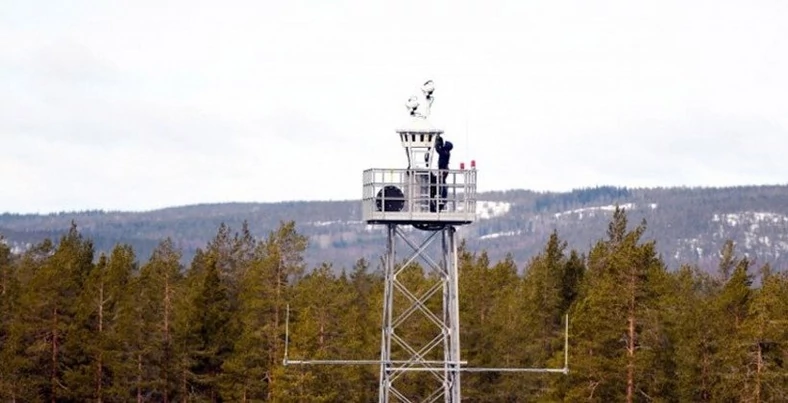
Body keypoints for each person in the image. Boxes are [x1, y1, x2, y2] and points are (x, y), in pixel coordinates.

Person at [429, 135, 453, 211]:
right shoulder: (446, 152)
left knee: (440, 182)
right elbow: (440, 149)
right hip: (443, 169)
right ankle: (440, 198)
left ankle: (440, 197)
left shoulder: (445, 152)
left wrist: (437, 143)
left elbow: (438, 150)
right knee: (440, 182)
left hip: (443, 170)